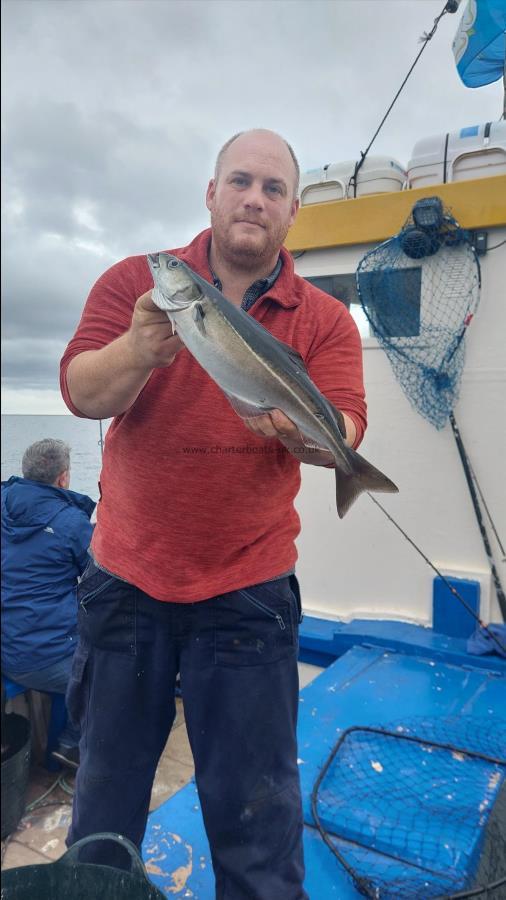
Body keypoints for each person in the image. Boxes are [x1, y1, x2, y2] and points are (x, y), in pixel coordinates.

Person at [59, 129, 367, 896]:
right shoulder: (137, 281)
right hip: (127, 582)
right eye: (240, 181)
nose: (253, 199)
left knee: (257, 817)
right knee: (103, 803)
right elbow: (80, 391)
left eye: (272, 189)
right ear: (210, 192)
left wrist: (320, 441)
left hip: (248, 591)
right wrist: (137, 349)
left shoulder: (323, 317)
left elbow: (348, 422)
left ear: (294, 211)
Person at [1, 438, 95, 769]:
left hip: (8, 640)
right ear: (64, 478)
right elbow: (99, 578)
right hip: (39, 656)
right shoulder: (71, 523)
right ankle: (70, 748)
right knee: (106, 676)